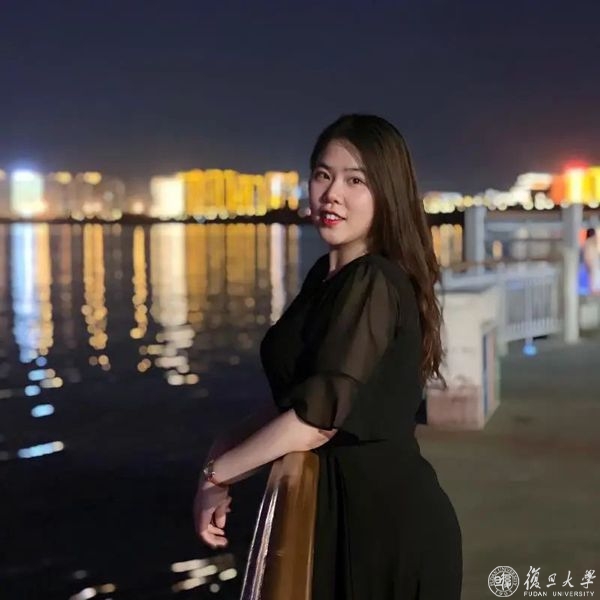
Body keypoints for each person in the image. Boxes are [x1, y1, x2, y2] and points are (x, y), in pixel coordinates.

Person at [193, 114, 463, 599]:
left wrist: (218, 475)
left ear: (387, 193)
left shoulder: (374, 279)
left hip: (386, 525)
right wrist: (223, 446)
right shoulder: (327, 276)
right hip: (347, 511)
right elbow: (298, 395)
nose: (332, 193)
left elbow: (317, 418)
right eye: (323, 175)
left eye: (355, 180)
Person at [583, 227, 599, 295]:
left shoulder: (589, 243)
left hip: (593, 262)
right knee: (593, 277)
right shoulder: (589, 243)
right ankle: (593, 290)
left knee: (593, 277)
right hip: (592, 262)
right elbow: (587, 255)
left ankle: (594, 290)